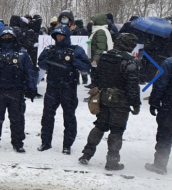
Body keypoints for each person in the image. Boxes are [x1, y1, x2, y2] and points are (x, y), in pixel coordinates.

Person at [79, 34, 141, 171]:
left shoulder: (104, 56)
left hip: (104, 97)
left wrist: (99, 91)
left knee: (100, 126)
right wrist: (136, 103)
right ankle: (112, 161)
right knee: (116, 130)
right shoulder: (130, 61)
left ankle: (86, 154)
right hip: (120, 102)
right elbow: (132, 86)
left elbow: (95, 76)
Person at [37, 25, 91, 154]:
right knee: (47, 116)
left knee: (69, 117)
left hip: (69, 88)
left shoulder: (76, 50)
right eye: (57, 36)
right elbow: (41, 63)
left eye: (62, 36)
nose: (59, 38)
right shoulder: (50, 49)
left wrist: (74, 62)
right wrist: (49, 61)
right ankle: (45, 142)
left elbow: (86, 67)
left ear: (67, 36)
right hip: (52, 87)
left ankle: (67, 145)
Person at [147, 56, 172, 175]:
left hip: (169, 106)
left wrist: (154, 101)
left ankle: (160, 164)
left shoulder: (168, 63)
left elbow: (160, 84)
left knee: (165, 135)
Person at [89, 13, 113, 87]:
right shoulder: (97, 31)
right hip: (98, 58)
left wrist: (95, 59)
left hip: (99, 59)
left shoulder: (100, 31)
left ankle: (97, 95)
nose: (91, 23)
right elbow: (90, 42)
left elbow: (101, 47)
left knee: (97, 77)